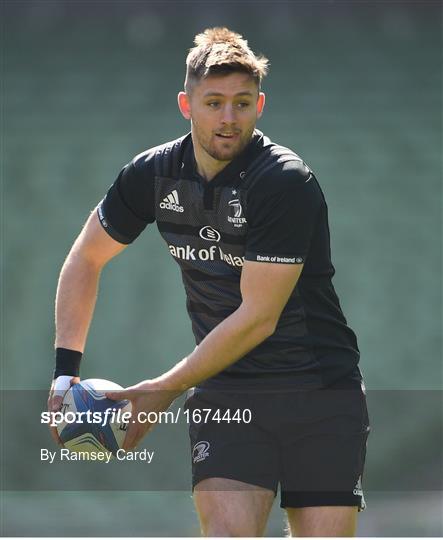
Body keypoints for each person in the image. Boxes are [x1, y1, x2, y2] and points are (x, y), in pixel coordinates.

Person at [48, 27, 370, 537]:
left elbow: (258, 318)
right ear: (186, 104)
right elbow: (86, 259)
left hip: (320, 392)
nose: (227, 118)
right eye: (213, 102)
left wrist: (163, 389)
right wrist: (66, 373)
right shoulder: (151, 174)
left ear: (259, 105)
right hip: (229, 394)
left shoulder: (284, 181)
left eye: (241, 103)